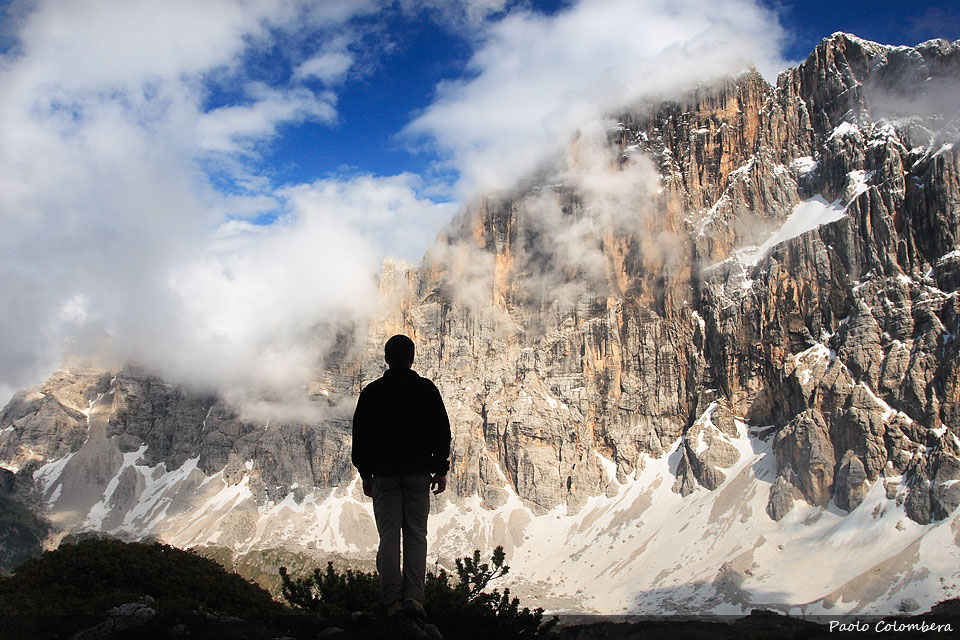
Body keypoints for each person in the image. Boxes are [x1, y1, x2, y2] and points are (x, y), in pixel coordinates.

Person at [352, 334, 451, 619]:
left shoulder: (371, 392)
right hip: (418, 474)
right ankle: (415, 600)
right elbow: (442, 433)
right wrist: (439, 470)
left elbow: (361, 436)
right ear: (412, 359)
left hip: (384, 475)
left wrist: (365, 473)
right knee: (416, 536)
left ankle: (392, 601)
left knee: (389, 537)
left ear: (386, 358)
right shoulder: (426, 389)